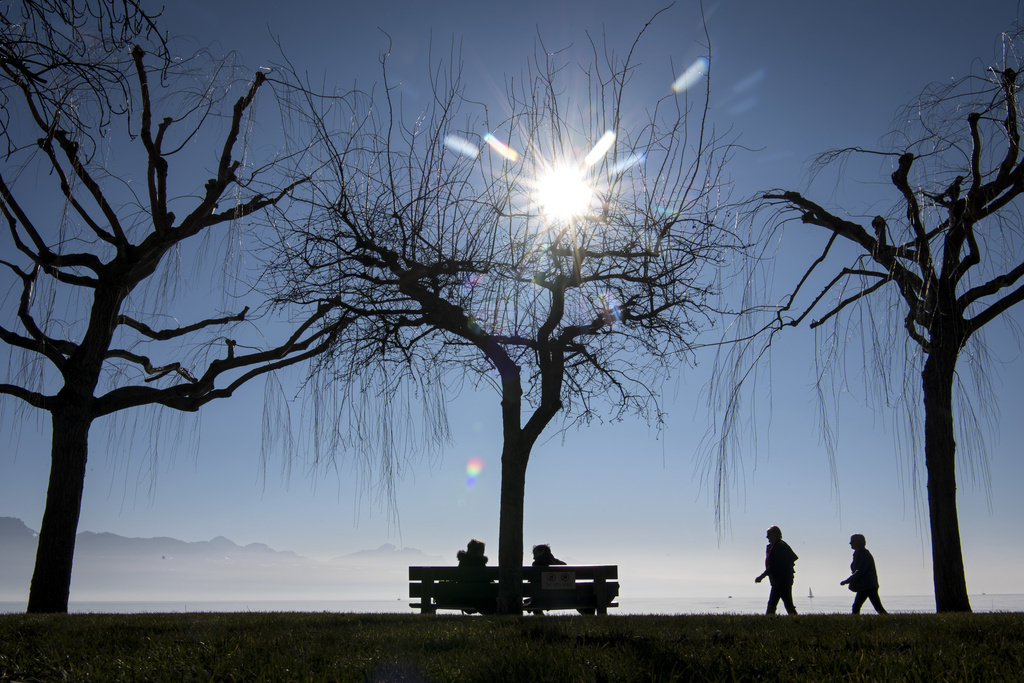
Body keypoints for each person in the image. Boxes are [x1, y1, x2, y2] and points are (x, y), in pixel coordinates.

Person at [755, 525, 799, 615]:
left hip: (782, 581)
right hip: (779, 581)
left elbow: (774, 566)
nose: (767, 537)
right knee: (774, 603)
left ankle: (795, 621)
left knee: (784, 604)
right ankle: (770, 620)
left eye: (769, 534)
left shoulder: (780, 546)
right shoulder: (775, 546)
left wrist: (762, 576)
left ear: (775, 534)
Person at [840, 534, 888, 614]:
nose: (850, 543)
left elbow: (861, 571)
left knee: (875, 607)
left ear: (858, 542)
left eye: (852, 541)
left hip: (868, 586)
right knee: (858, 606)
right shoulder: (858, 554)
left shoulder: (864, 554)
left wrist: (847, 581)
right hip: (864, 586)